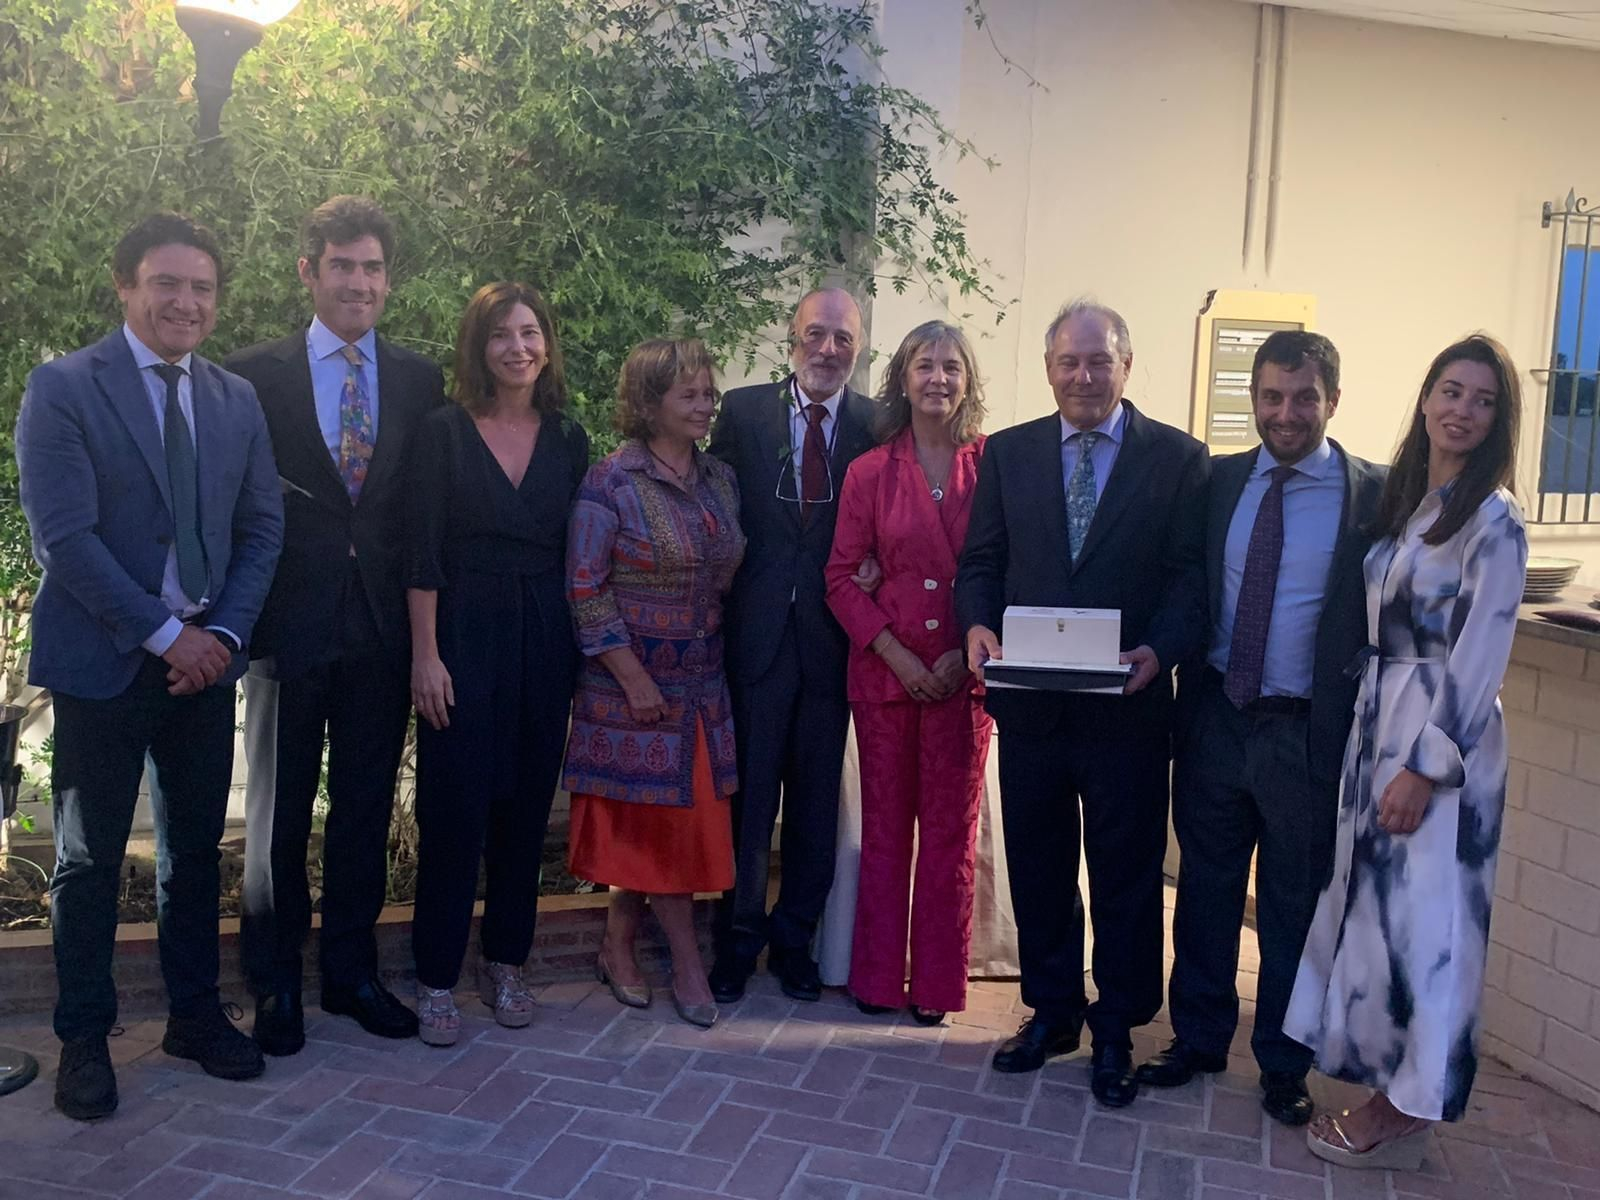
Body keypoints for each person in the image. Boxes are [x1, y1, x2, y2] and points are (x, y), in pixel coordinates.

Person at [15, 213, 283, 1119]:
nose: (186, 301)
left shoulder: (235, 398)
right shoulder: (63, 387)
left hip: (205, 667)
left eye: (202, 287)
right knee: (88, 861)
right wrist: (171, 639)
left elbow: (261, 528)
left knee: (194, 854)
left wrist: (226, 638)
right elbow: (66, 541)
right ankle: (83, 1039)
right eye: (166, 283)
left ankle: (194, 1016)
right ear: (126, 287)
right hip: (105, 663)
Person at [954, 298, 1208, 1107]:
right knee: (1039, 865)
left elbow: (1189, 578)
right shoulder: (1009, 452)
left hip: (1126, 711)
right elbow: (982, 559)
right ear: (1049, 368)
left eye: (1100, 361)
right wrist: (976, 629)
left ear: (1126, 366)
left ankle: (1118, 1028)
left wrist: (1160, 649)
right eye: (1069, 361)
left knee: (1127, 876)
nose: (1084, 376)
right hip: (1032, 709)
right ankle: (1053, 1011)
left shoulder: (1178, 459)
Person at [1285, 334, 1527, 1169]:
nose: (1462, 409)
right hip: (1377, 725)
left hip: (1439, 745)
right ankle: (1391, 1083)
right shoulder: (1416, 504)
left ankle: (1410, 1106)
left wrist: (1426, 768)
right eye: (1451, 391)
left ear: (1498, 421)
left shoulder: (1492, 522)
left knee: (1430, 926)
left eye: (1482, 400)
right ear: (1425, 399)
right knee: (1378, 921)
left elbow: (1481, 654)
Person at [1135, 331, 1385, 1126]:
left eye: (1304, 397)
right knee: (1204, 889)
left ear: (1332, 401)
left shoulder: (1371, 495)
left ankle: (1284, 1061)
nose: (1286, 413)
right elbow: (1184, 583)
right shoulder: (1219, 481)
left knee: (1292, 904)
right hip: (1215, 714)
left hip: (1306, 734)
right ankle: (1200, 1038)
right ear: (1255, 399)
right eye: (1272, 397)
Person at [229, 196, 445, 1055]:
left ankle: (351, 974)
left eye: (372, 268)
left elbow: (418, 510)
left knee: (360, 807)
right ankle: (274, 979)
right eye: (342, 265)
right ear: (307, 271)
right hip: (286, 627)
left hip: (382, 630)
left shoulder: (422, 379)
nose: (359, 281)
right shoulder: (251, 375)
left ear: (388, 280)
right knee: (278, 813)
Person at [405, 282, 589, 1046]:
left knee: (524, 816)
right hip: (462, 634)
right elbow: (420, 551)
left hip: (546, 637)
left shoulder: (571, 438)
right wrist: (425, 656)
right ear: (478, 348)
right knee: (454, 812)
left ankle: (507, 960)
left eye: (530, 332)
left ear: (546, 343)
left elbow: (584, 551)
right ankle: (436, 976)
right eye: (501, 335)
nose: (518, 347)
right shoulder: (443, 432)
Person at [562, 338, 746, 1029]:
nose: (704, 407)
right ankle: (687, 964)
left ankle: (616, 943)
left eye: (708, 394)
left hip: (702, 685)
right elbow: (585, 586)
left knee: (670, 829)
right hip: (629, 690)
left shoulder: (721, 479)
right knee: (660, 831)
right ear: (649, 403)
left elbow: (730, 569)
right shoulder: (610, 481)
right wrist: (633, 676)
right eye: (689, 395)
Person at [706, 288, 878, 1004]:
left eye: (842, 338)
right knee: (747, 808)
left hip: (833, 646)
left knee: (812, 806)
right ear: (791, 337)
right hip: (756, 640)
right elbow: (712, 507)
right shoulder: (743, 413)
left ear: (860, 347)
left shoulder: (877, 422)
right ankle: (736, 942)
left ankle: (794, 942)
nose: (827, 350)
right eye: (815, 334)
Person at [823, 320, 991, 1024]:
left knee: (951, 838)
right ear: (902, 378)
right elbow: (839, 577)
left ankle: (937, 989)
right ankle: (878, 980)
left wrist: (959, 657)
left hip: (964, 683)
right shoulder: (869, 471)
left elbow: (1004, 570)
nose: (938, 380)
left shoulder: (992, 466)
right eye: (925, 366)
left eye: (952, 368)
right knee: (887, 832)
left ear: (968, 381)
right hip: (887, 682)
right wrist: (894, 652)